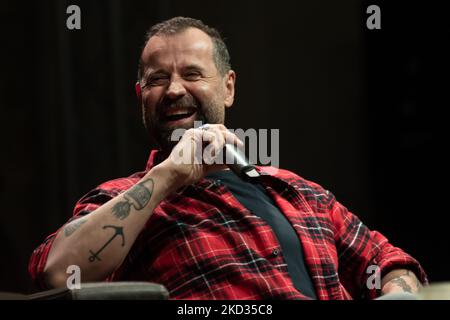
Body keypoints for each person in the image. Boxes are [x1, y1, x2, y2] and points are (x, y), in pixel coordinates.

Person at [29, 17, 427, 300]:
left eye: (192, 74)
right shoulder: (124, 199)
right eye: (157, 79)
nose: (173, 91)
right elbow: (59, 272)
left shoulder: (298, 192)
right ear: (141, 98)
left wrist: (399, 293)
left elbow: (387, 259)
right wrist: (167, 176)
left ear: (228, 88)